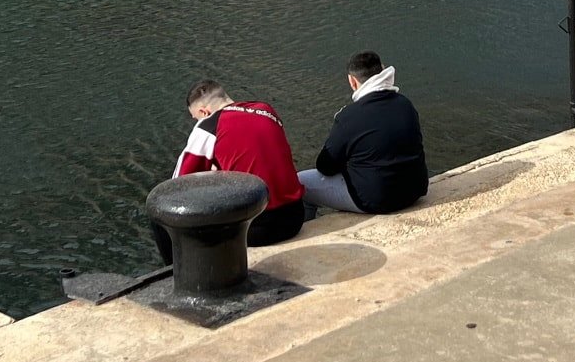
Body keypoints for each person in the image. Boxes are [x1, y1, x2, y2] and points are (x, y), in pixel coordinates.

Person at [154, 79, 305, 263]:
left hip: (258, 229)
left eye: (196, 118)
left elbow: (176, 185)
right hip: (295, 217)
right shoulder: (265, 110)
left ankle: (175, 274)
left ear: (204, 112)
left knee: (160, 214)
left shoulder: (209, 125)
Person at [298, 52, 428, 215]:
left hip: (376, 200)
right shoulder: (405, 104)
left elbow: (325, 166)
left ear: (352, 81)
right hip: (414, 190)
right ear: (382, 69)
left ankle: (309, 232)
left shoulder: (349, 116)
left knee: (299, 183)